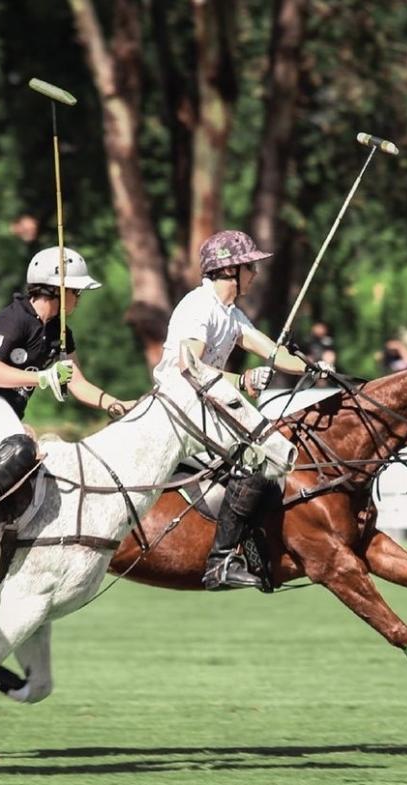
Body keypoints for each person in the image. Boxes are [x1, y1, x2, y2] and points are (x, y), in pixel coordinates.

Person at [153, 230, 330, 590]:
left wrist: (314, 367)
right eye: (251, 266)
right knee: (255, 459)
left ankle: (252, 552)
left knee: (271, 459)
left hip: (208, 409)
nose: (256, 273)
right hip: (179, 406)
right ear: (231, 270)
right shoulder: (198, 306)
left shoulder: (230, 314)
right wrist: (243, 381)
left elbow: (272, 352)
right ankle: (218, 564)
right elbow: (189, 367)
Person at [0, 246, 135, 553]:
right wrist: (42, 378)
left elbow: (78, 383)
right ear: (56, 290)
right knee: (21, 447)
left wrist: (119, 405)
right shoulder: (14, 318)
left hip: (5, 410)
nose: (79, 298)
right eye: (76, 291)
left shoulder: (60, 332)